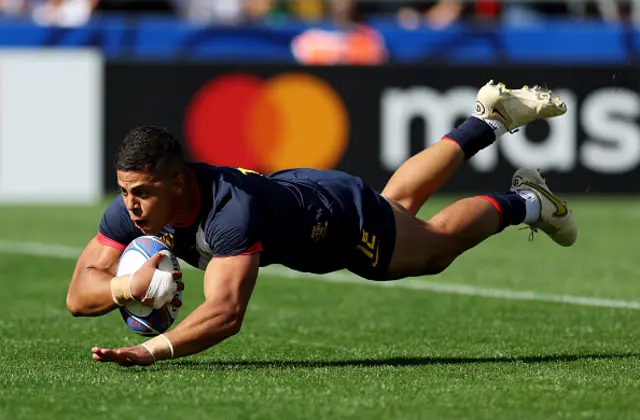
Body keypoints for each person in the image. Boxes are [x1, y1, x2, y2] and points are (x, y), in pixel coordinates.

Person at [66, 80, 575, 366]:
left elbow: (225, 313)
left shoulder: (228, 213)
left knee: (432, 249)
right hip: (302, 189)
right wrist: (122, 286)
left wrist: (150, 350)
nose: (130, 205)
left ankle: (526, 201)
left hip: (336, 221)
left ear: (177, 185)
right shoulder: (133, 206)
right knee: (397, 203)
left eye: (142, 192)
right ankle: (486, 120)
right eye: (125, 191)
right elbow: (77, 295)